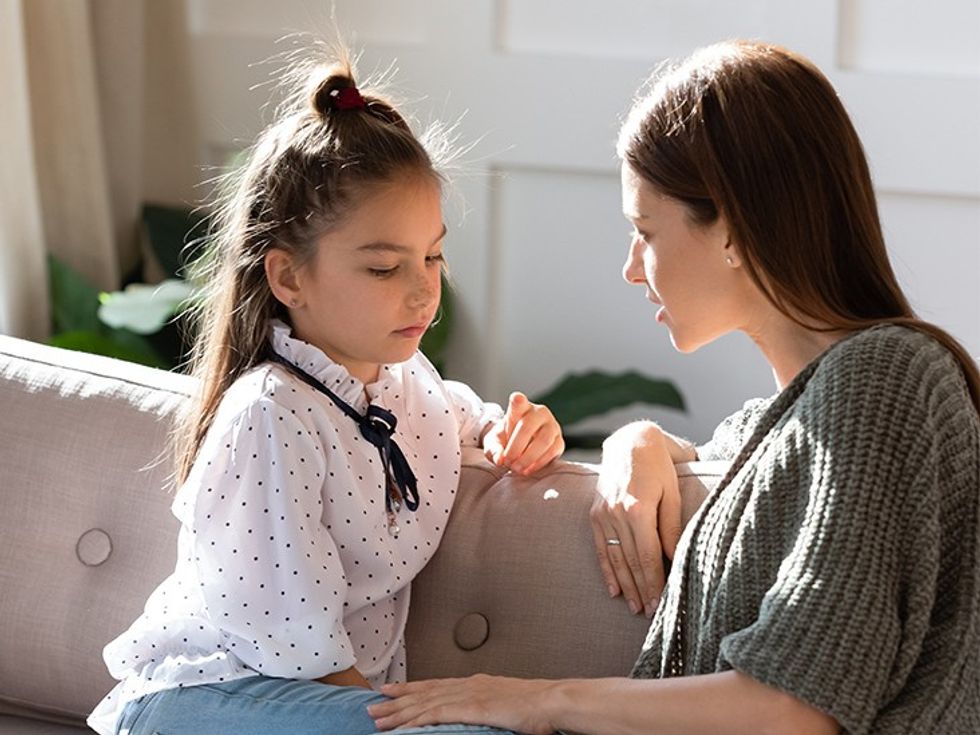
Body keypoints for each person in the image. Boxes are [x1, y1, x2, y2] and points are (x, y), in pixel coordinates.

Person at [368, 40, 980, 734]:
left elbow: (793, 709)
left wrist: (535, 699)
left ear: (733, 229)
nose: (633, 268)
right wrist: (638, 440)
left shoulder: (887, 378)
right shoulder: (794, 416)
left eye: (646, 231)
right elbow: (730, 459)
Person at [87, 52, 562, 735]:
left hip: (311, 704)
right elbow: (297, 650)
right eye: (384, 267)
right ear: (288, 278)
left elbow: (468, 418)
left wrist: (516, 430)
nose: (424, 290)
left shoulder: (405, 383)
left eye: (432, 256)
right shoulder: (269, 416)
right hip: (199, 701)